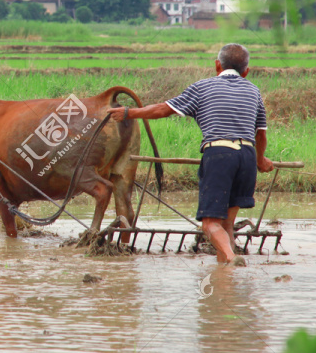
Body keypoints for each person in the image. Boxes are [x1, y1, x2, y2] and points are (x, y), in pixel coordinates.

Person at [106, 43, 274, 265]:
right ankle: (226, 278)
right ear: (246, 71)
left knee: (210, 224)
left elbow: (163, 110)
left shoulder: (202, 87)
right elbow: (260, 134)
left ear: (217, 65)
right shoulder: (253, 90)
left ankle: (232, 259)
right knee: (226, 226)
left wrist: (128, 112)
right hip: (247, 156)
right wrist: (260, 160)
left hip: (220, 153)